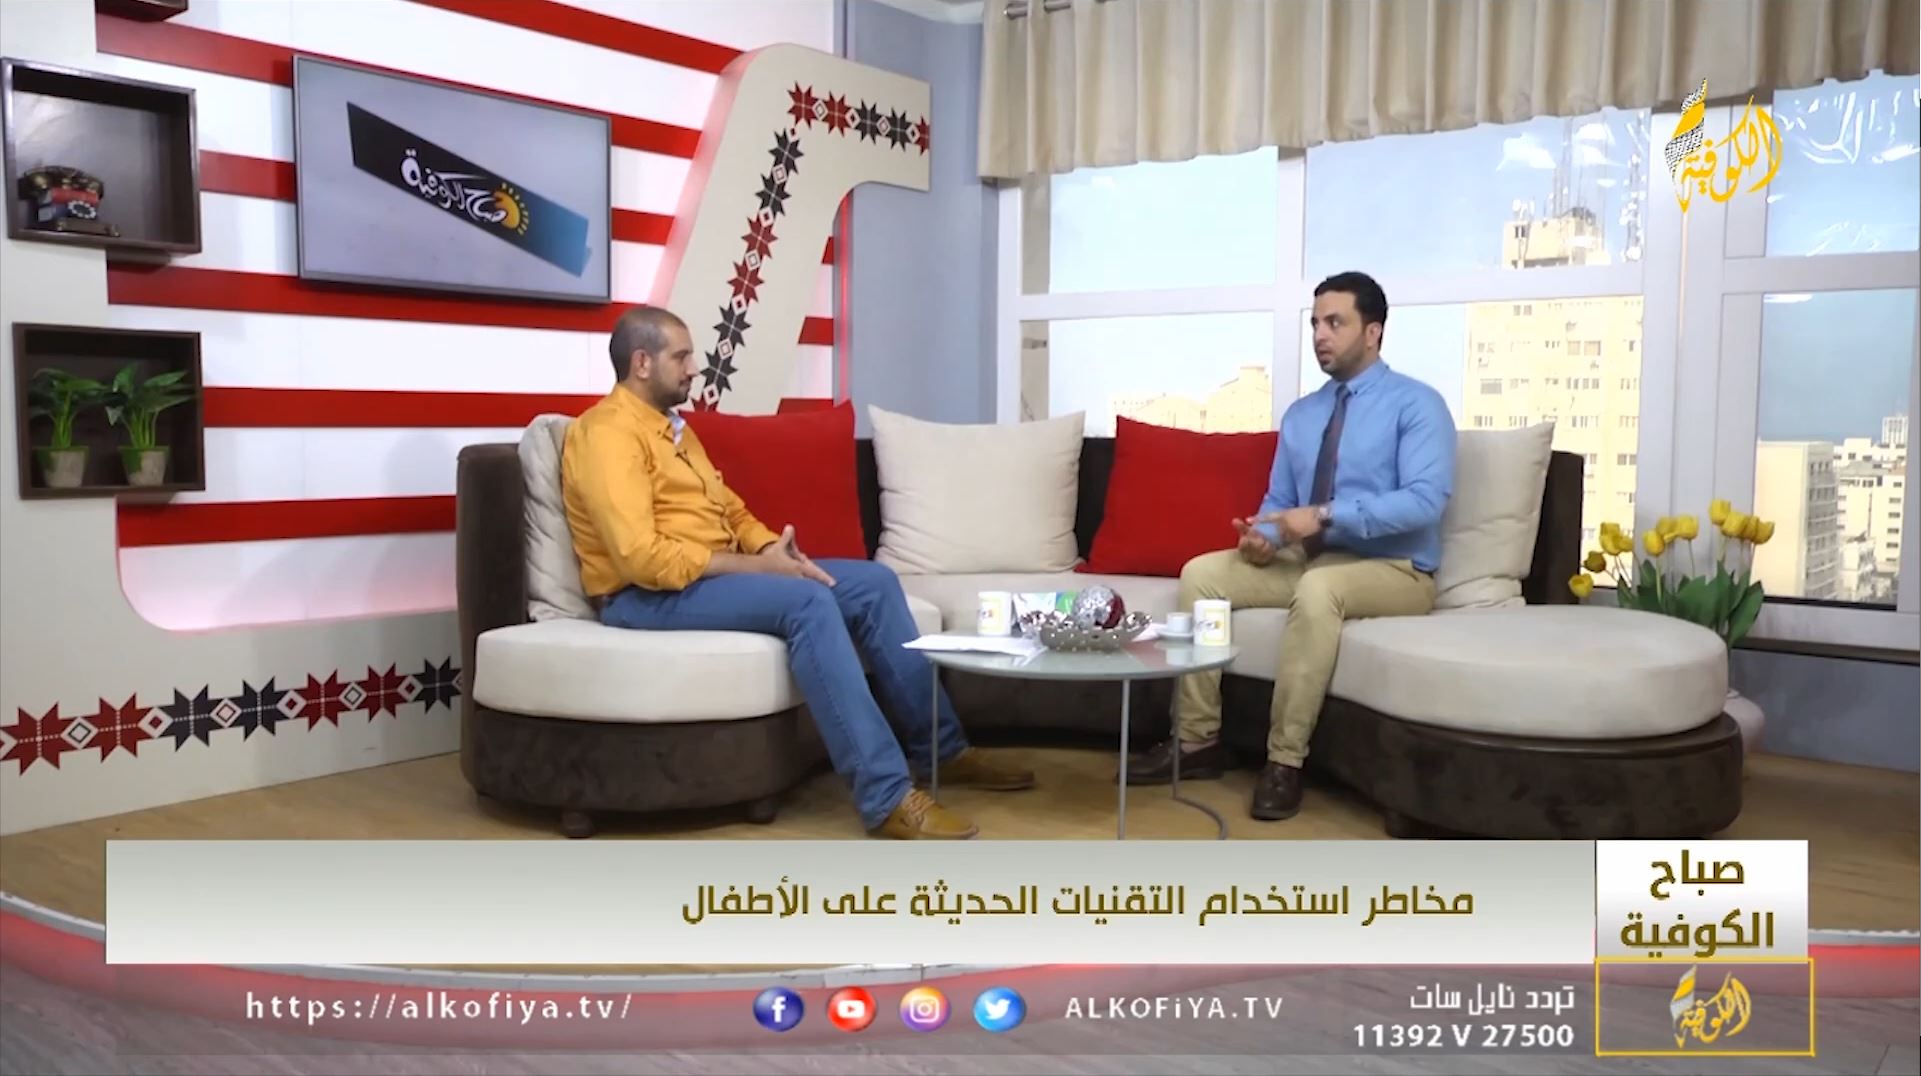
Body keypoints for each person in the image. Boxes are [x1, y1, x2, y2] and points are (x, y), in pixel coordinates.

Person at [561, 306, 1035, 840]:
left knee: (875, 584)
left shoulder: (673, 430)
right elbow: (640, 558)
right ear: (642, 363)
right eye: (681, 357)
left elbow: (731, 510)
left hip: (709, 577)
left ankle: (942, 750)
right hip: (643, 596)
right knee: (807, 602)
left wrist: (773, 551)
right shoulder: (606, 435)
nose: (694, 367)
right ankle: (886, 796)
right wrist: (759, 569)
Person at [1124, 271, 1455, 820]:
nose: (1320, 335)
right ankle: (1197, 740)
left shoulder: (1418, 405)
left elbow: (1425, 501)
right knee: (1203, 573)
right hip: (1311, 560)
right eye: (1315, 324)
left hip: (1397, 570)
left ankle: (1284, 762)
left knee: (1320, 588)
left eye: (1335, 323)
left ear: (1373, 332)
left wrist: (1323, 514)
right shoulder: (1303, 415)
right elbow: (1281, 502)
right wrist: (1264, 537)